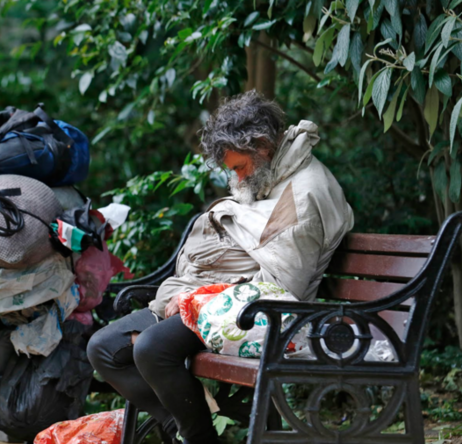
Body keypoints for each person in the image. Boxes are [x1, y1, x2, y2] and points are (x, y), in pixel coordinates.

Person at [87, 91, 354, 444]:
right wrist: (190, 294)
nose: (238, 180)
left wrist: (194, 299)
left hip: (259, 312)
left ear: (261, 145)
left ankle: (195, 436)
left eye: (239, 168)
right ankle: (188, 428)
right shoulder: (269, 173)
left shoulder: (304, 193)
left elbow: (279, 286)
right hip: (217, 296)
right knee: (103, 348)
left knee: (152, 349)